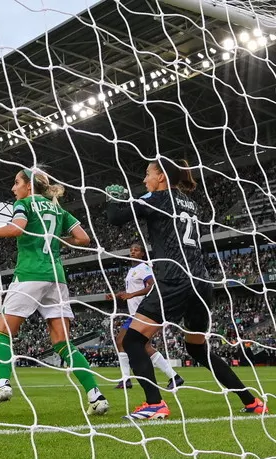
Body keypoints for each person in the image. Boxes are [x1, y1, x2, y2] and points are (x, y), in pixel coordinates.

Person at [106, 159, 267, 420]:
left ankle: (155, 404)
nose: (144, 179)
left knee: (132, 340)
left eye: (148, 174)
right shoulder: (191, 204)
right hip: (201, 283)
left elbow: (116, 218)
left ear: (160, 177)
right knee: (197, 349)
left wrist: (115, 198)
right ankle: (252, 402)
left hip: (174, 279)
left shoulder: (157, 197)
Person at [0, 168, 109, 416]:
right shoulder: (59, 209)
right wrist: (55, 239)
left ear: (29, 186)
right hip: (57, 278)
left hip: (29, 274)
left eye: (16, 183)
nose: (13, 189)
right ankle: (95, 395)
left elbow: (17, 228)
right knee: (62, 342)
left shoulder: (25, 203)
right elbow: (83, 238)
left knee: (4, 332)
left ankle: (2, 385)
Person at [106, 242, 184, 390]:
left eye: (136, 250)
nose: (133, 252)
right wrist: (117, 295)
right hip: (135, 314)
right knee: (127, 343)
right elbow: (132, 291)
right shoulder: (132, 270)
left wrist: (132, 294)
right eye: (131, 250)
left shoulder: (144, 267)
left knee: (126, 342)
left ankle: (127, 379)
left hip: (145, 313)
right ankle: (173, 377)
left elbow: (153, 285)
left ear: (142, 253)